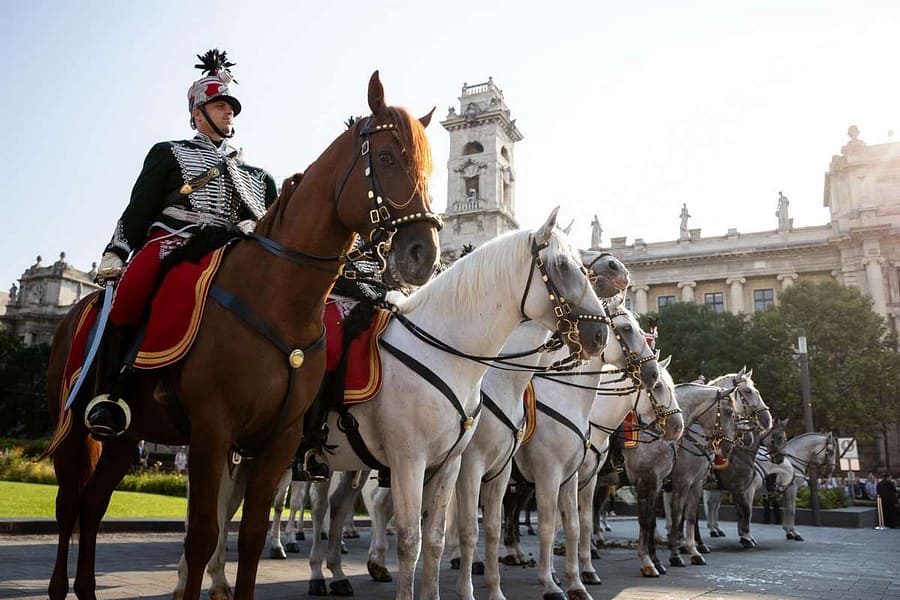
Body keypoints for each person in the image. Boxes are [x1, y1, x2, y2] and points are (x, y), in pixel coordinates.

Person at [84, 49, 277, 438]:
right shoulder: (169, 153)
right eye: (220, 106)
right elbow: (138, 209)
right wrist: (117, 251)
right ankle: (110, 391)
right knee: (133, 288)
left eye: (231, 109)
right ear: (197, 114)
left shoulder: (258, 176)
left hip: (232, 251)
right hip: (176, 241)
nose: (229, 114)